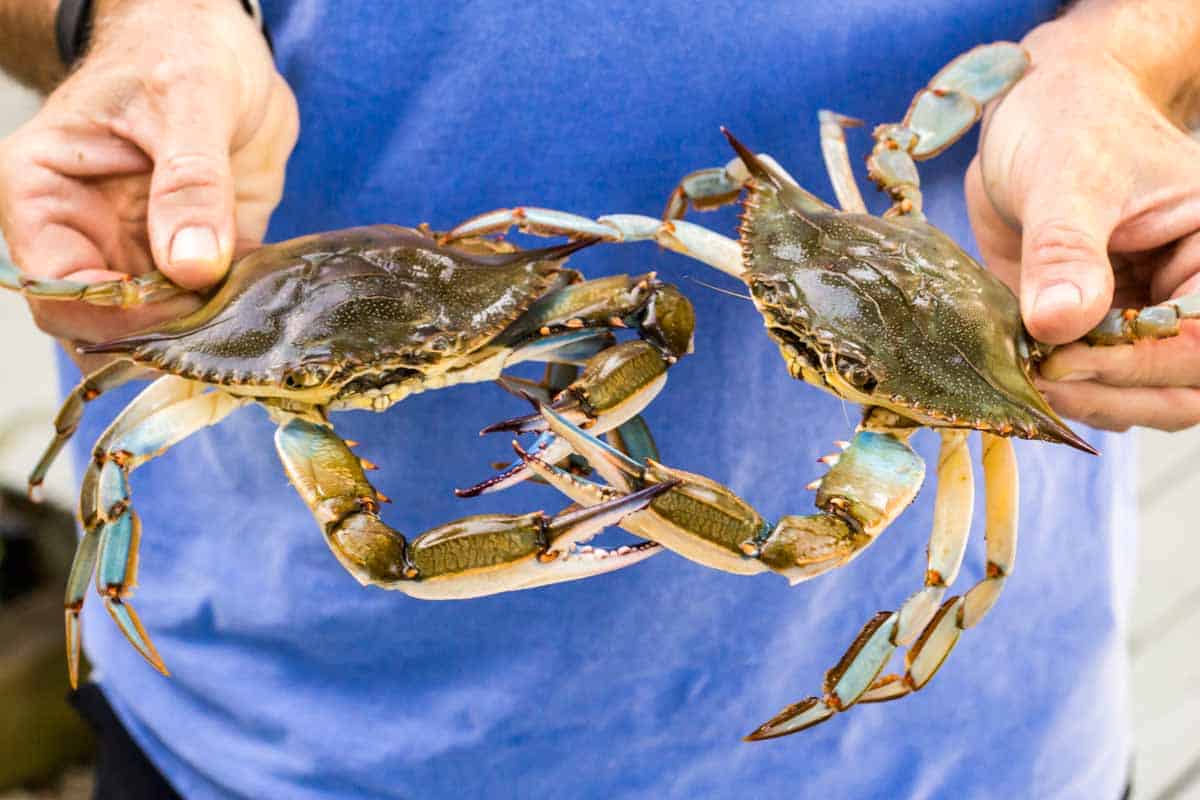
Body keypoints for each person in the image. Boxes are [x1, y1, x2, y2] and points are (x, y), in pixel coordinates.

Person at [0, 0, 1196, 797]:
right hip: (270, 733)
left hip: (964, 760)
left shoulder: (617, 287)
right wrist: (118, 17)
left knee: (950, 571)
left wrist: (1122, 63)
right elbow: (101, 454)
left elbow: (646, 287)